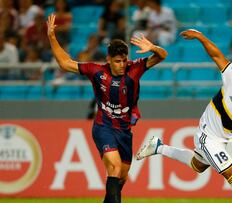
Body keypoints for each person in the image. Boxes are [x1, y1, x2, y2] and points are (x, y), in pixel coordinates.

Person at [136, 29, 232, 203]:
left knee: (198, 165)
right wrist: (201, 37)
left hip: (222, 141)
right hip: (206, 135)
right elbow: (217, 56)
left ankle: (158, 147)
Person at [47, 13, 167, 203]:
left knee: (121, 177)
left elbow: (162, 56)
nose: (121, 65)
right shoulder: (96, 71)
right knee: (114, 168)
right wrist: (52, 37)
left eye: (124, 60)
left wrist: (152, 47)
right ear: (108, 59)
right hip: (104, 127)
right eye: (117, 61)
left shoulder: (134, 68)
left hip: (125, 131)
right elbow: (65, 63)